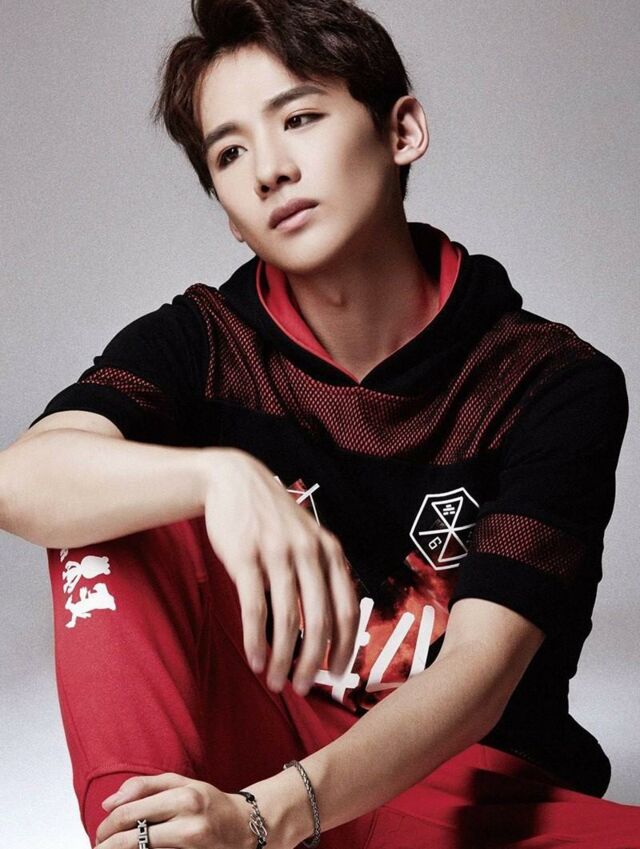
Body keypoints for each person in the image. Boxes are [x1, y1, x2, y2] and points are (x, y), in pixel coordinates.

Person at [1, 0, 638, 846]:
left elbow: (481, 673)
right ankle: (144, 837)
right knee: (99, 502)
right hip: (251, 757)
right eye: (230, 152)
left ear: (402, 130)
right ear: (230, 214)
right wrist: (216, 475)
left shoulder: (549, 382)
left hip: (454, 784)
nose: (269, 170)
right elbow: (20, 480)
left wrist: (268, 816)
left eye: (299, 118)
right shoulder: (205, 342)